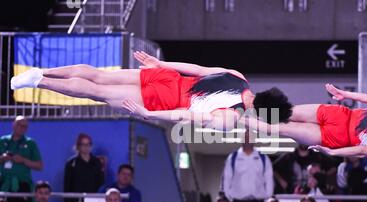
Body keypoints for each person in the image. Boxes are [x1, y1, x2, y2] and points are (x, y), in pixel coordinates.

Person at [11, 51, 294, 132]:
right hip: (161, 100)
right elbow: (186, 116)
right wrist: (150, 114)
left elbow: (196, 68)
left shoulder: (237, 76)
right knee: (95, 91)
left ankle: (43, 71)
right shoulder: (232, 119)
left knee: (100, 74)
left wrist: (161, 63)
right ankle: (40, 82)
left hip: (167, 78)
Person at [244, 84, 367, 158]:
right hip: (337, 138)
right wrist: (333, 152)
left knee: (286, 113)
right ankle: (238, 117)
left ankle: (247, 102)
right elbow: (362, 150)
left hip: (340, 114)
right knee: (280, 129)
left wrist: (345, 94)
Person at [221, 131, 274, 202]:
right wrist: (229, 199)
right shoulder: (233, 157)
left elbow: (269, 179)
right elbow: (226, 179)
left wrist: (267, 199)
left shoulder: (263, 158)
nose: (247, 139)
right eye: (245, 137)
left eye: (249, 137)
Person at [0, 116, 43, 202]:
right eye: (19, 125)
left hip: (22, 185)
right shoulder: (2, 141)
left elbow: (39, 166)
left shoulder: (30, 143)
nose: (22, 128)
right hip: (3, 184)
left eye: (25, 126)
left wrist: (23, 160)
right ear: (13, 125)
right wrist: (2, 159)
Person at [64, 133, 104, 202]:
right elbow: (67, 184)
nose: (86, 147)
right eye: (83, 144)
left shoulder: (97, 162)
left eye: (88, 144)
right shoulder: (71, 163)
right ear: (78, 146)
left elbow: (101, 182)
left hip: (93, 201)